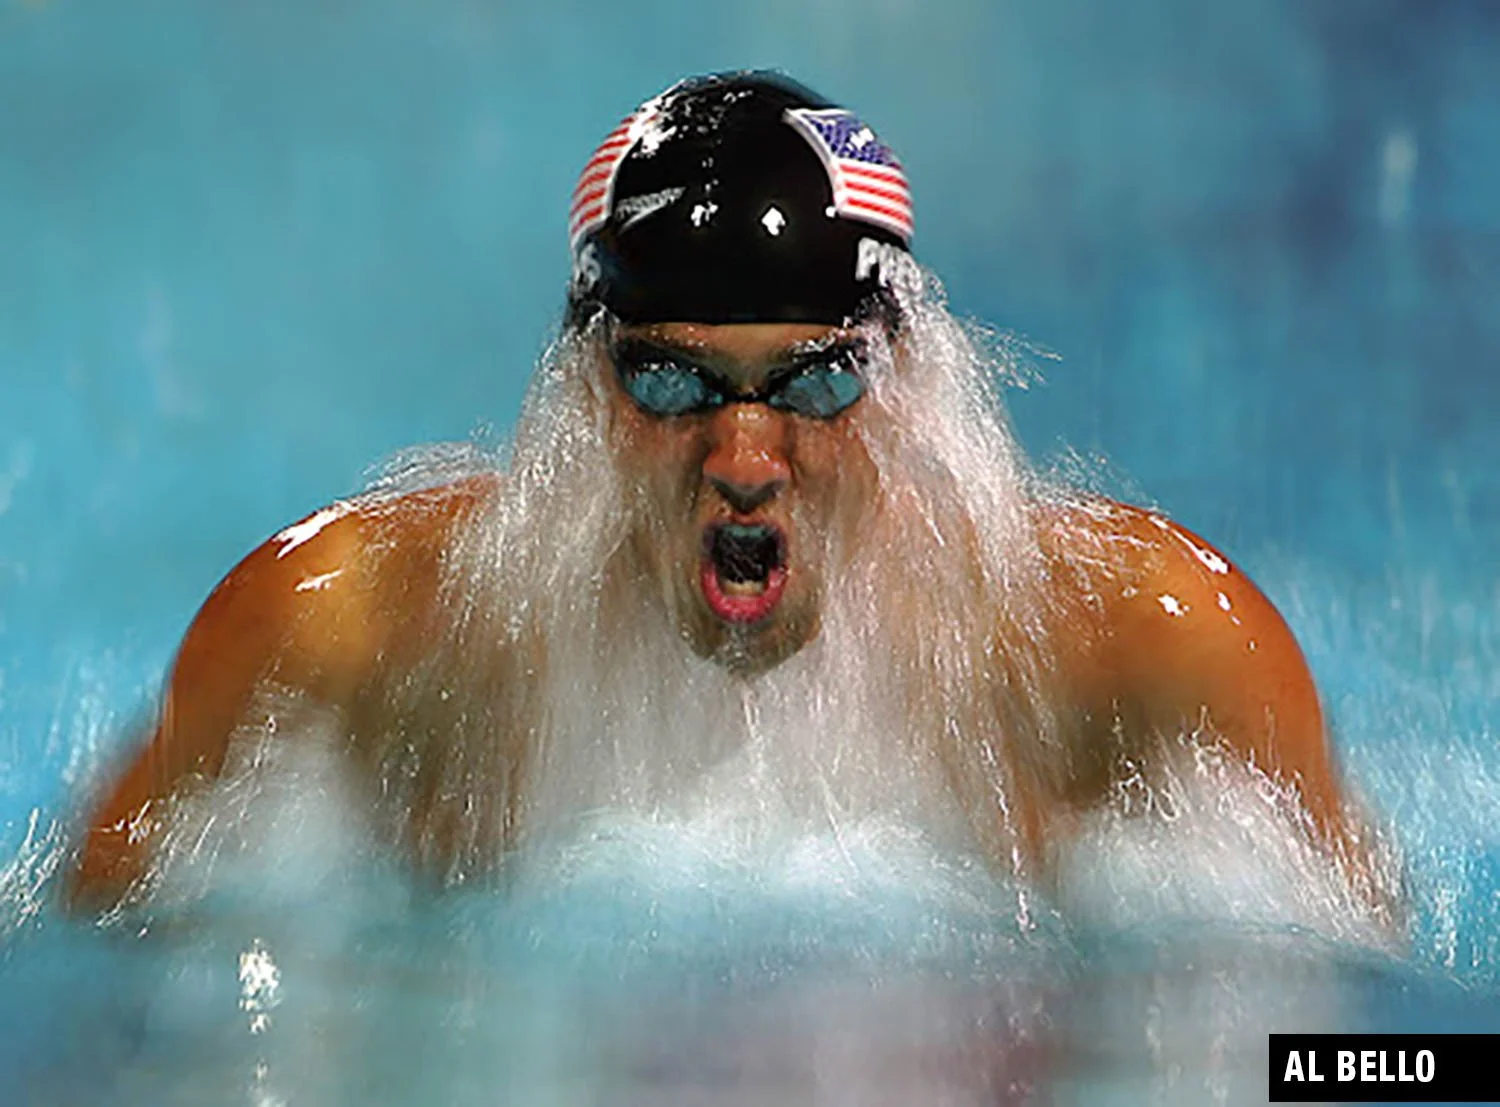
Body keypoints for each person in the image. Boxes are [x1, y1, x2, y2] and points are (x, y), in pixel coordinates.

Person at [68, 71, 1387, 917]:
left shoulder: (1151, 656)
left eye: (812, 387)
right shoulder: (341, 640)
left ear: (911, 385)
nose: (748, 459)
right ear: (583, 395)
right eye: (676, 387)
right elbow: (85, 1009)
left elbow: (1377, 1045)